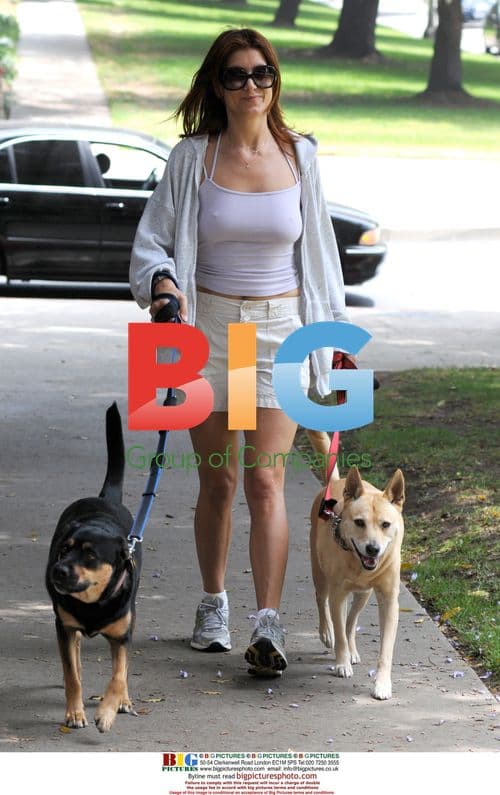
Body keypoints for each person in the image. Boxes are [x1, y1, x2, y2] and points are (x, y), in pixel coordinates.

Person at [129, 28, 349, 677]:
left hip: (282, 329)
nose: (251, 85)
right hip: (210, 330)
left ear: (274, 81)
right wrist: (163, 284)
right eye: (236, 75)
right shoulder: (192, 156)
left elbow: (322, 258)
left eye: (261, 74)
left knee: (267, 478)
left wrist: (332, 340)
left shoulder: (300, 154)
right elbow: (152, 242)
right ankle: (213, 603)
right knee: (220, 478)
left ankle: (269, 623)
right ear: (216, 85)